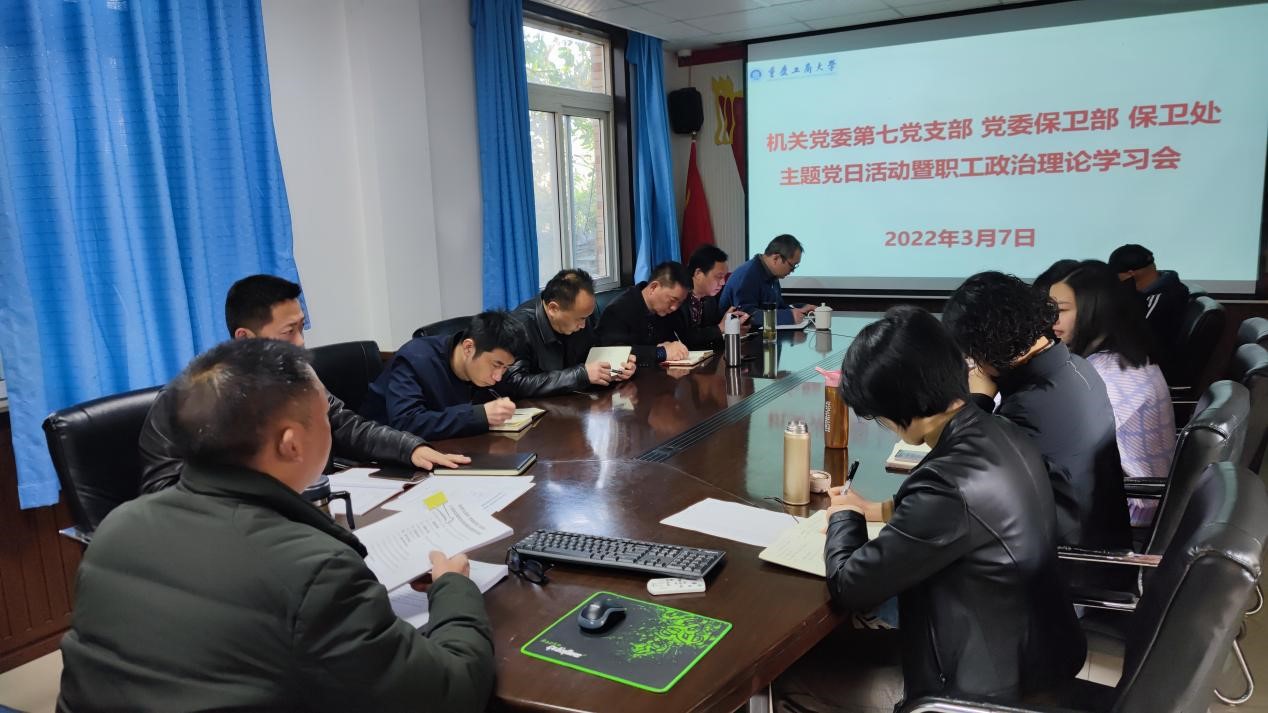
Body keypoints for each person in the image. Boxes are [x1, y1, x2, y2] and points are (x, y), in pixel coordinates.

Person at [60, 339, 494, 711]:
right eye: (325, 417)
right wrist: (453, 588)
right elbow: (451, 692)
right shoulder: (317, 572)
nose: (333, 426)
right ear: (291, 443)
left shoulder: (116, 528)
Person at [774, 307, 1085, 712]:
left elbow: (851, 586)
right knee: (840, 644)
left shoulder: (947, 483)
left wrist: (844, 517)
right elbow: (960, 519)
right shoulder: (1000, 429)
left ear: (901, 405)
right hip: (1032, 652)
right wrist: (878, 509)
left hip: (974, 689)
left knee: (788, 677)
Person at [139, 275, 467, 493]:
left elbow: (345, 425)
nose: (300, 342)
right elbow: (161, 490)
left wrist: (410, 447)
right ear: (245, 338)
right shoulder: (184, 400)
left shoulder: (297, 374)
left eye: (301, 327)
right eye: (288, 332)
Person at [943, 272, 1132, 559]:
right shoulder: (1076, 366)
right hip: (1099, 545)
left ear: (984, 349)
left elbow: (954, 476)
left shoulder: (1027, 409)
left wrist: (980, 399)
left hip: (1063, 563)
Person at [1048, 260, 1175, 527]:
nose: (1050, 320)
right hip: (1127, 493)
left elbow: (1060, 449)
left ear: (1094, 311)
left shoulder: (1108, 373)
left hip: (1133, 507)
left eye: (1061, 310)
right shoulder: (1118, 357)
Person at [360, 311, 527, 440]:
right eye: (496, 365)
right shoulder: (415, 358)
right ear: (468, 348)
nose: (498, 377)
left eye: (505, 368)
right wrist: (478, 416)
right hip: (381, 452)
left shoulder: (481, 365)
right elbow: (406, 423)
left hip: (443, 447)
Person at [504, 269, 637, 397]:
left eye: (586, 317)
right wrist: (581, 375)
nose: (583, 325)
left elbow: (590, 357)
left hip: (577, 403)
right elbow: (514, 383)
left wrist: (616, 367)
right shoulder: (519, 327)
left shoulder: (582, 315)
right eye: (580, 319)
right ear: (553, 308)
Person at [1108, 243, 1189, 373]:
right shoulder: (1168, 286)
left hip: (1148, 369)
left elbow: (1135, 337)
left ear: (1130, 274)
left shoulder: (1159, 299)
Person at [596, 261, 692, 365]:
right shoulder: (618, 310)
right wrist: (660, 352)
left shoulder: (665, 311)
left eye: (680, 302)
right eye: (673, 300)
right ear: (653, 287)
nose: (674, 307)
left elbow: (671, 343)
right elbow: (614, 353)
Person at [718, 234, 813, 328]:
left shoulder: (772, 274)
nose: (793, 271)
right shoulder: (747, 275)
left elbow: (778, 307)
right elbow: (746, 315)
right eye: (792, 265)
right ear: (776, 258)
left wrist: (802, 308)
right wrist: (787, 317)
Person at [683, 245, 749, 347]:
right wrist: (721, 328)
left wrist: (732, 331)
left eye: (724, 277)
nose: (723, 283)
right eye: (719, 277)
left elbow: (710, 337)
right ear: (698, 273)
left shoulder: (711, 299)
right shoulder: (678, 299)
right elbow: (685, 338)